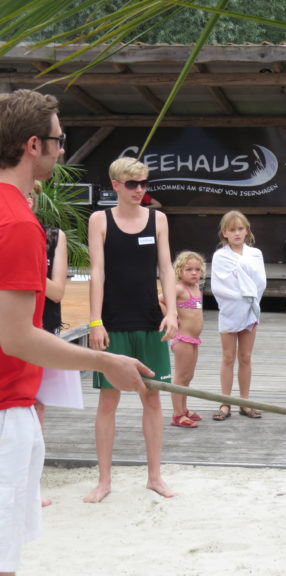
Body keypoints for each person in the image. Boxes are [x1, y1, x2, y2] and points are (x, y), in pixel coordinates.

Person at [0, 89, 149, 576]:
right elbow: (17, 337)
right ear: (32, 145)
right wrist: (106, 362)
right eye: (60, 140)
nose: (63, 149)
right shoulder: (18, 223)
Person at [85, 156, 179, 503]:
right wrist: (95, 321)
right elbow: (98, 272)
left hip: (150, 318)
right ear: (116, 186)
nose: (140, 190)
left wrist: (172, 313)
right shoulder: (100, 219)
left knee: (152, 397)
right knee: (108, 399)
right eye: (132, 184)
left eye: (143, 183)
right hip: (113, 321)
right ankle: (104, 479)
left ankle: (155, 476)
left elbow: (167, 268)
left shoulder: (158, 219)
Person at [27, 181, 69, 508]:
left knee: (36, 406)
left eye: (30, 195)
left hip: (42, 326)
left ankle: (33, 484)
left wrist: (23, 269)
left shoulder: (53, 236)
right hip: (12, 323)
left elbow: (57, 291)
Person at [210, 210, 266, 421]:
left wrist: (249, 298)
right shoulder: (220, 256)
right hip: (230, 310)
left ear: (247, 231)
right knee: (227, 357)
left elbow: (260, 282)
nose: (236, 233)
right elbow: (219, 287)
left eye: (240, 229)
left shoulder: (256, 254)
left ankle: (245, 402)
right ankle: (225, 402)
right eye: (232, 230)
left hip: (250, 309)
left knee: (245, 357)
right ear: (224, 233)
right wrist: (240, 295)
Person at [160, 251, 206, 428]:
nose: (194, 273)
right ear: (179, 271)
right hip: (183, 339)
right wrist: (171, 317)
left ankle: (184, 408)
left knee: (188, 376)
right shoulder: (179, 288)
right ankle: (177, 414)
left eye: (197, 269)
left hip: (194, 339)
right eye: (189, 270)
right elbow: (160, 299)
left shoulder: (196, 288)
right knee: (180, 377)